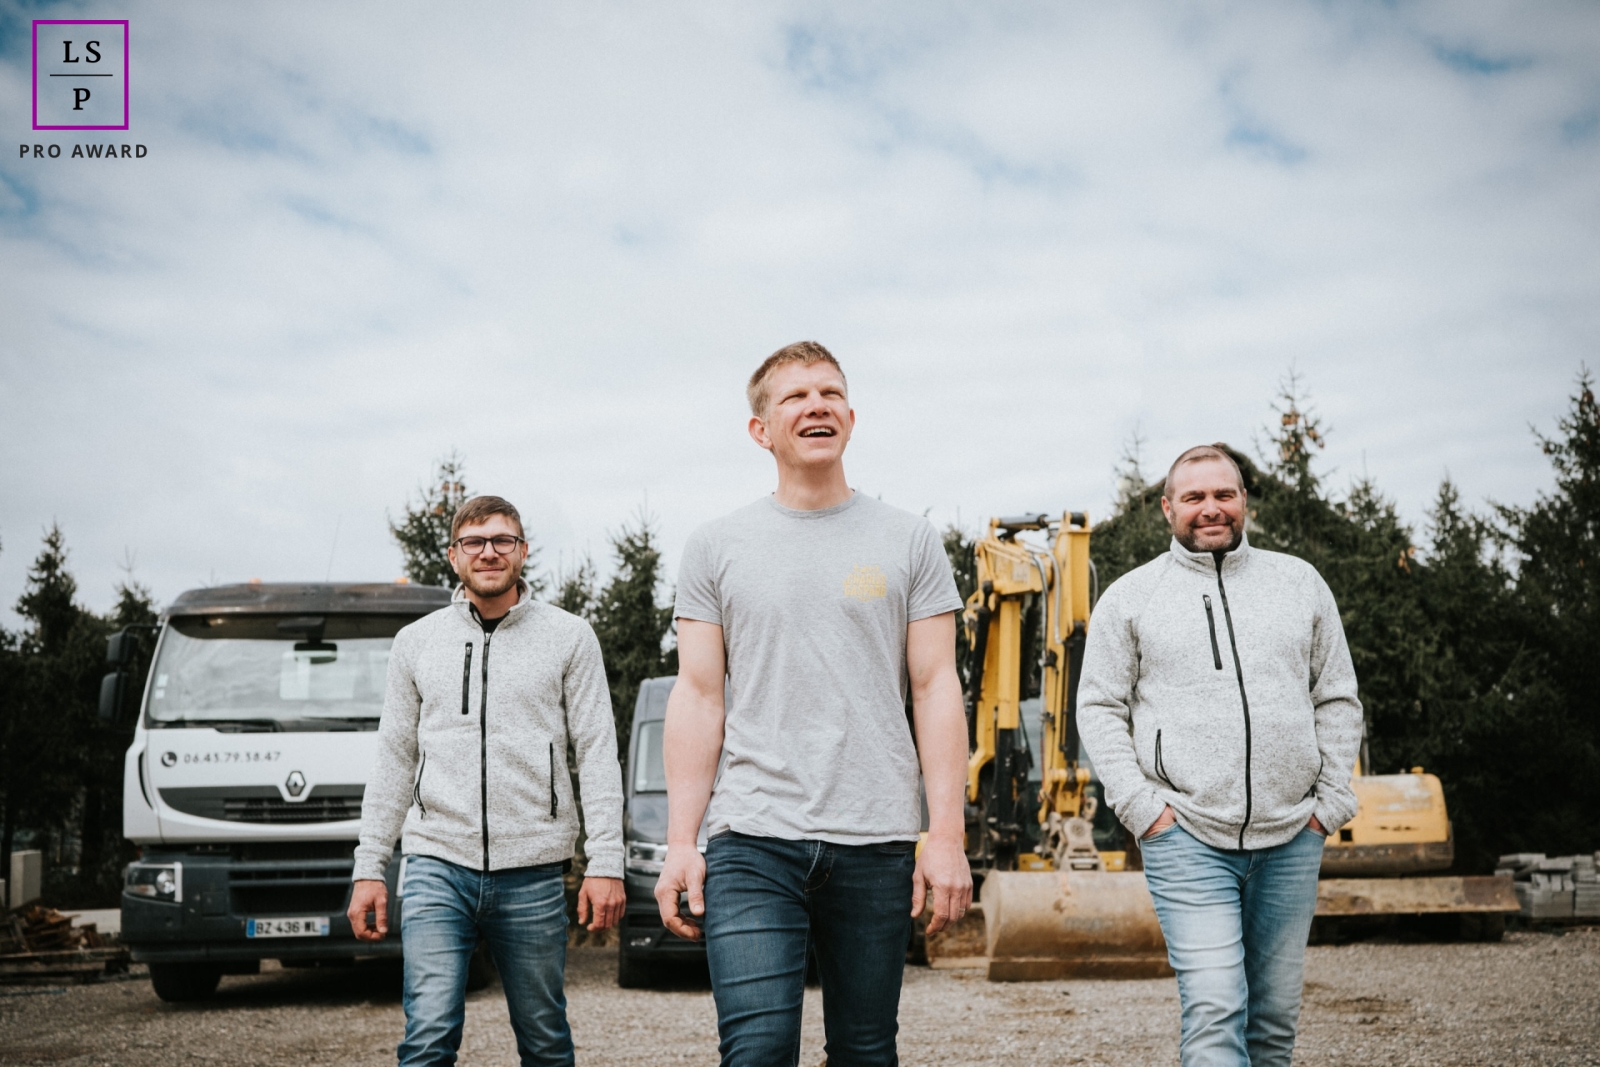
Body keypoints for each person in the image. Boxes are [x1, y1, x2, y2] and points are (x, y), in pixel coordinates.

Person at [655, 341, 973, 1067]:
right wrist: (681, 842)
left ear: (851, 419)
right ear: (759, 429)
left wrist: (946, 833)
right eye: (794, 397)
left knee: (865, 1052)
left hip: (876, 836)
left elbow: (935, 687)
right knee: (759, 1050)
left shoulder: (909, 540)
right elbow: (700, 697)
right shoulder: (715, 546)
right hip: (754, 835)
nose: (816, 405)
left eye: (829, 393)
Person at [1077, 444, 1363, 1067]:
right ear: (1167, 508)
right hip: (1186, 837)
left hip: (1293, 836)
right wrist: (1141, 808)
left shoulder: (1300, 583)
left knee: (1274, 1021)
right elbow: (1098, 708)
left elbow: (1337, 695)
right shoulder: (1130, 597)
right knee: (1214, 1007)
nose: (1211, 509)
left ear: (1244, 501)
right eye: (1195, 497)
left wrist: (1329, 803)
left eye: (1224, 495)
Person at [348, 495, 626, 1067]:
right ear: (454, 556)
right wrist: (368, 867)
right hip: (435, 866)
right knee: (427, 1036)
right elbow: (395, 756)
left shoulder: (571, 637)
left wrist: (606, 862)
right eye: (474, 542)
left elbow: (597, 753)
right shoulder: (416, 642)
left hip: (532, 870)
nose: (489, 552)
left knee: (545, 1038)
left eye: (503, 540)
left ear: (522, 551)